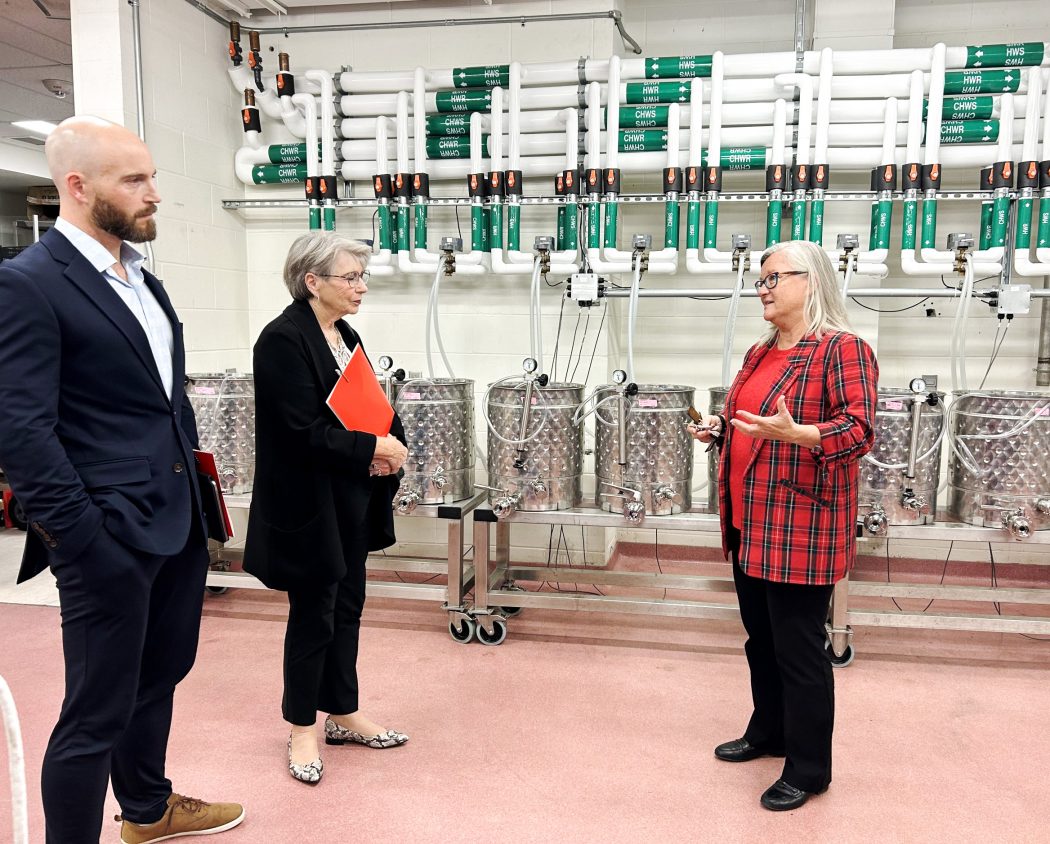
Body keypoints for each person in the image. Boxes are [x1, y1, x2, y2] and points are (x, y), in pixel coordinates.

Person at [0, 116, 244, 842]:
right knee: (95, 712)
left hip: (174, 520)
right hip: (106, 534)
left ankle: (146, 810)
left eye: (152, 177)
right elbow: (21, 431)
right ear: (77, 187)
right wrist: (82, 540)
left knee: (159, 677)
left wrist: (200, 512)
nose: (154, 194)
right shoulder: (29, 285)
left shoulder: (140, 276)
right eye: (134, 180)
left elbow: (162, 405)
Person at [690, 240, 877, 811]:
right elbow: (754, 420)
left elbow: (861, 430)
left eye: (774, 278)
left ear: (811, 281)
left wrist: (807, 436)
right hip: (751, 522)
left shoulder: (843, 349)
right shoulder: (761, 350)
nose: (763, 289)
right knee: (760, 640)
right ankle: (767, 731)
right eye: (760, 280)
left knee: (800, 650)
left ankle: (809, 767)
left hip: (800, 526)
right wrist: (722, 427)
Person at [243, 232, 410, 785]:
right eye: (350, 277)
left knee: (348, 606)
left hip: (350, 498)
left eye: (362, 277)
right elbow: (298, 432)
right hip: (308, 502)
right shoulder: (281, 341)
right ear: (312, 282)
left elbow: (364, 405)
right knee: (313, 613)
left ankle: (343, 711)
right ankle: (301, 728)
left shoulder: (343, 333)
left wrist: (391, 445)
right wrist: (372, 448)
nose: (360, 287)